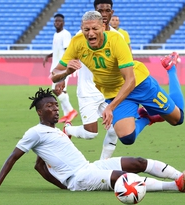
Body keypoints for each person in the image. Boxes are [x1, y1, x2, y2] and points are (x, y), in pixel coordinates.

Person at [0, 88, 185, 193]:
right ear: (39, 111)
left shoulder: (55, 132)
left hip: (89, 168)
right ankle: (178, 185)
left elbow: (39, 165)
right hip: (80, 178)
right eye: (49, 106)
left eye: (56, 105)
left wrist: (59, 186)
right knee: (124, 179)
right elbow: (13, 157)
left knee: (137, 162)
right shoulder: (34, 132)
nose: (55, 109)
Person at [50, 11, 185, 147]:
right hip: (114, 93)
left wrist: (110, 107)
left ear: (103, 27)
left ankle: (170, 68)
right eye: (86, 29)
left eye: (95, 29)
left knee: (177, 119)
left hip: (139, 84)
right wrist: (66, 72)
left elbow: (130, 80)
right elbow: (54, 74)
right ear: (82, 29)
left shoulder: (116, 40)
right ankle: (145, 117)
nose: (90, 33)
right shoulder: (77, 43)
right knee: (127, 138)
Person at [62, 0, 126, 160]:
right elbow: (69, 61)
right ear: (95, 11)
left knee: (114, 130)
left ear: (112, 12)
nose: (104, 14)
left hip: (110, 92)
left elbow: (126, 64)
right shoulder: (81, 36)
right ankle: (68, 129)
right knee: (91, 133)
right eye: (100, 10)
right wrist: (62, 79)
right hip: (88, 91)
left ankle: (102, 165)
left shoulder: (118, 36)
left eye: (107, 10)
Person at [43, 13, 77, 123]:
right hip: (56, 66)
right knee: (62, 90)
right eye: (56, 21)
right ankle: (67, 115)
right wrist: (49, 55)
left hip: (62, 66)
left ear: (63, 23)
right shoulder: (56, 35)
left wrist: (66, 67)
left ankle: (71, 111)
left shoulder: (65, 34)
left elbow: (68, 50)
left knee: (56, 89)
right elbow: (58, 50)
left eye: (59, 21)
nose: (57, 23)